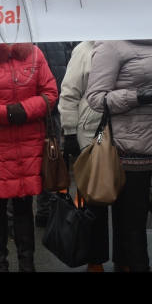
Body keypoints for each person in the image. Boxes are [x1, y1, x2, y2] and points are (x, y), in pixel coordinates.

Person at [87, 38, 152, 273]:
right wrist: (141, 96)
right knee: (132, 223)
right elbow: (95, 98)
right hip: (132, 147)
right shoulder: (111, 44)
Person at [0, 43, 58, 273]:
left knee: (24, 203)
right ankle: (1, 266)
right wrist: (8, 113)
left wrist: (23, 110)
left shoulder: (35, 54)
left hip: (27, 144)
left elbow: (50, 94)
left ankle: (27, 265)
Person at [60, 41, 128, 273]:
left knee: (125, 201)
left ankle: (124, 258)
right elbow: (70, 92)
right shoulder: (85, 49)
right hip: (93, 134)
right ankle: (95, 260)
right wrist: (69, 131)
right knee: (95, 200)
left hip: (130, 133)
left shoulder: (131, 43)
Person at [35, 42, 77, 227]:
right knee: (28, 161)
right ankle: (17, 215)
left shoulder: (59, 37)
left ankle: (46, 210)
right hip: (31, 107)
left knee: (51, 158)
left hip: (55, 106)